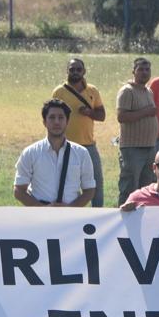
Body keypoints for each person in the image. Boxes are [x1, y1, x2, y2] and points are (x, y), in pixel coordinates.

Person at [14, 99, 95, 207]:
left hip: (71, 218)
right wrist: (43, 209)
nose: (56, 122)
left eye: (61, 118)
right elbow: (19, 191)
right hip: (40, 218)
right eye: (52, 117)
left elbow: (89, 190)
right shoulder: (30, 153)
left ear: (67, 121)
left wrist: (70, 209)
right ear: (44, 122)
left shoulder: (81, 153)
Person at [52, 58, 106, 207]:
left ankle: (98, 213)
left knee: (96, 182)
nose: (75, 72)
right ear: (67, 71)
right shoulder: (59, 92)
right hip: (65, 146)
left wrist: (89, 112)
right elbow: (52, 116)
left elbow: (102, 116)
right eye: (72, 69)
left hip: (88, 145)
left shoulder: (92, 91)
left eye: (78, 69)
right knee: (65, 183)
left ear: (84, 71)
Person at [116, 57, 159, 206]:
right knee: (129, 187)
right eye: (141, 69)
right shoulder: (127, 91)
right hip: (132, 148)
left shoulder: (148, 91)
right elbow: (122, 117)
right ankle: (123, 220)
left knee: (147, 190)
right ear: (133, 71)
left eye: (147, 69)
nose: (144, 72)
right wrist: (147, 112)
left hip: (149, 147)